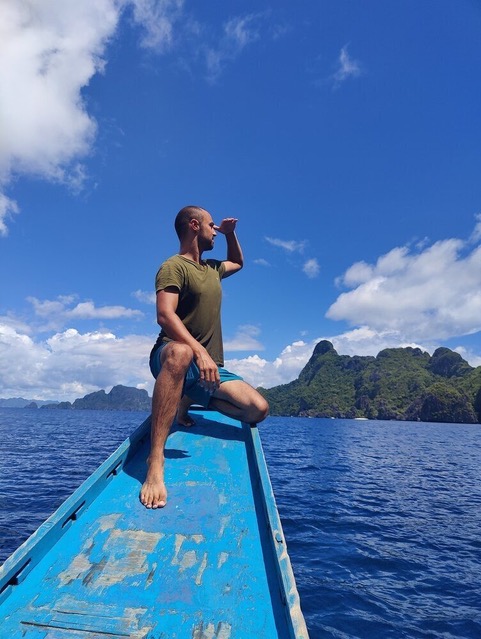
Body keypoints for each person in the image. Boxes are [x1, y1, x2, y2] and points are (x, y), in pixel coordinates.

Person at [140, 205, 269, 509]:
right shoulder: (174, 266)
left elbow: (238, 261)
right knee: (182, 352)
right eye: (213, 226)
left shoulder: (212, 269)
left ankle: (188, 398)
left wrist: (231, 234)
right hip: (171, 354)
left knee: (258, 410)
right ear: (195, 226)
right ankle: (155, 460)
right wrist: (199, 350)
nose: (216, 231)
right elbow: (164, 315)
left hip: (207, 367)